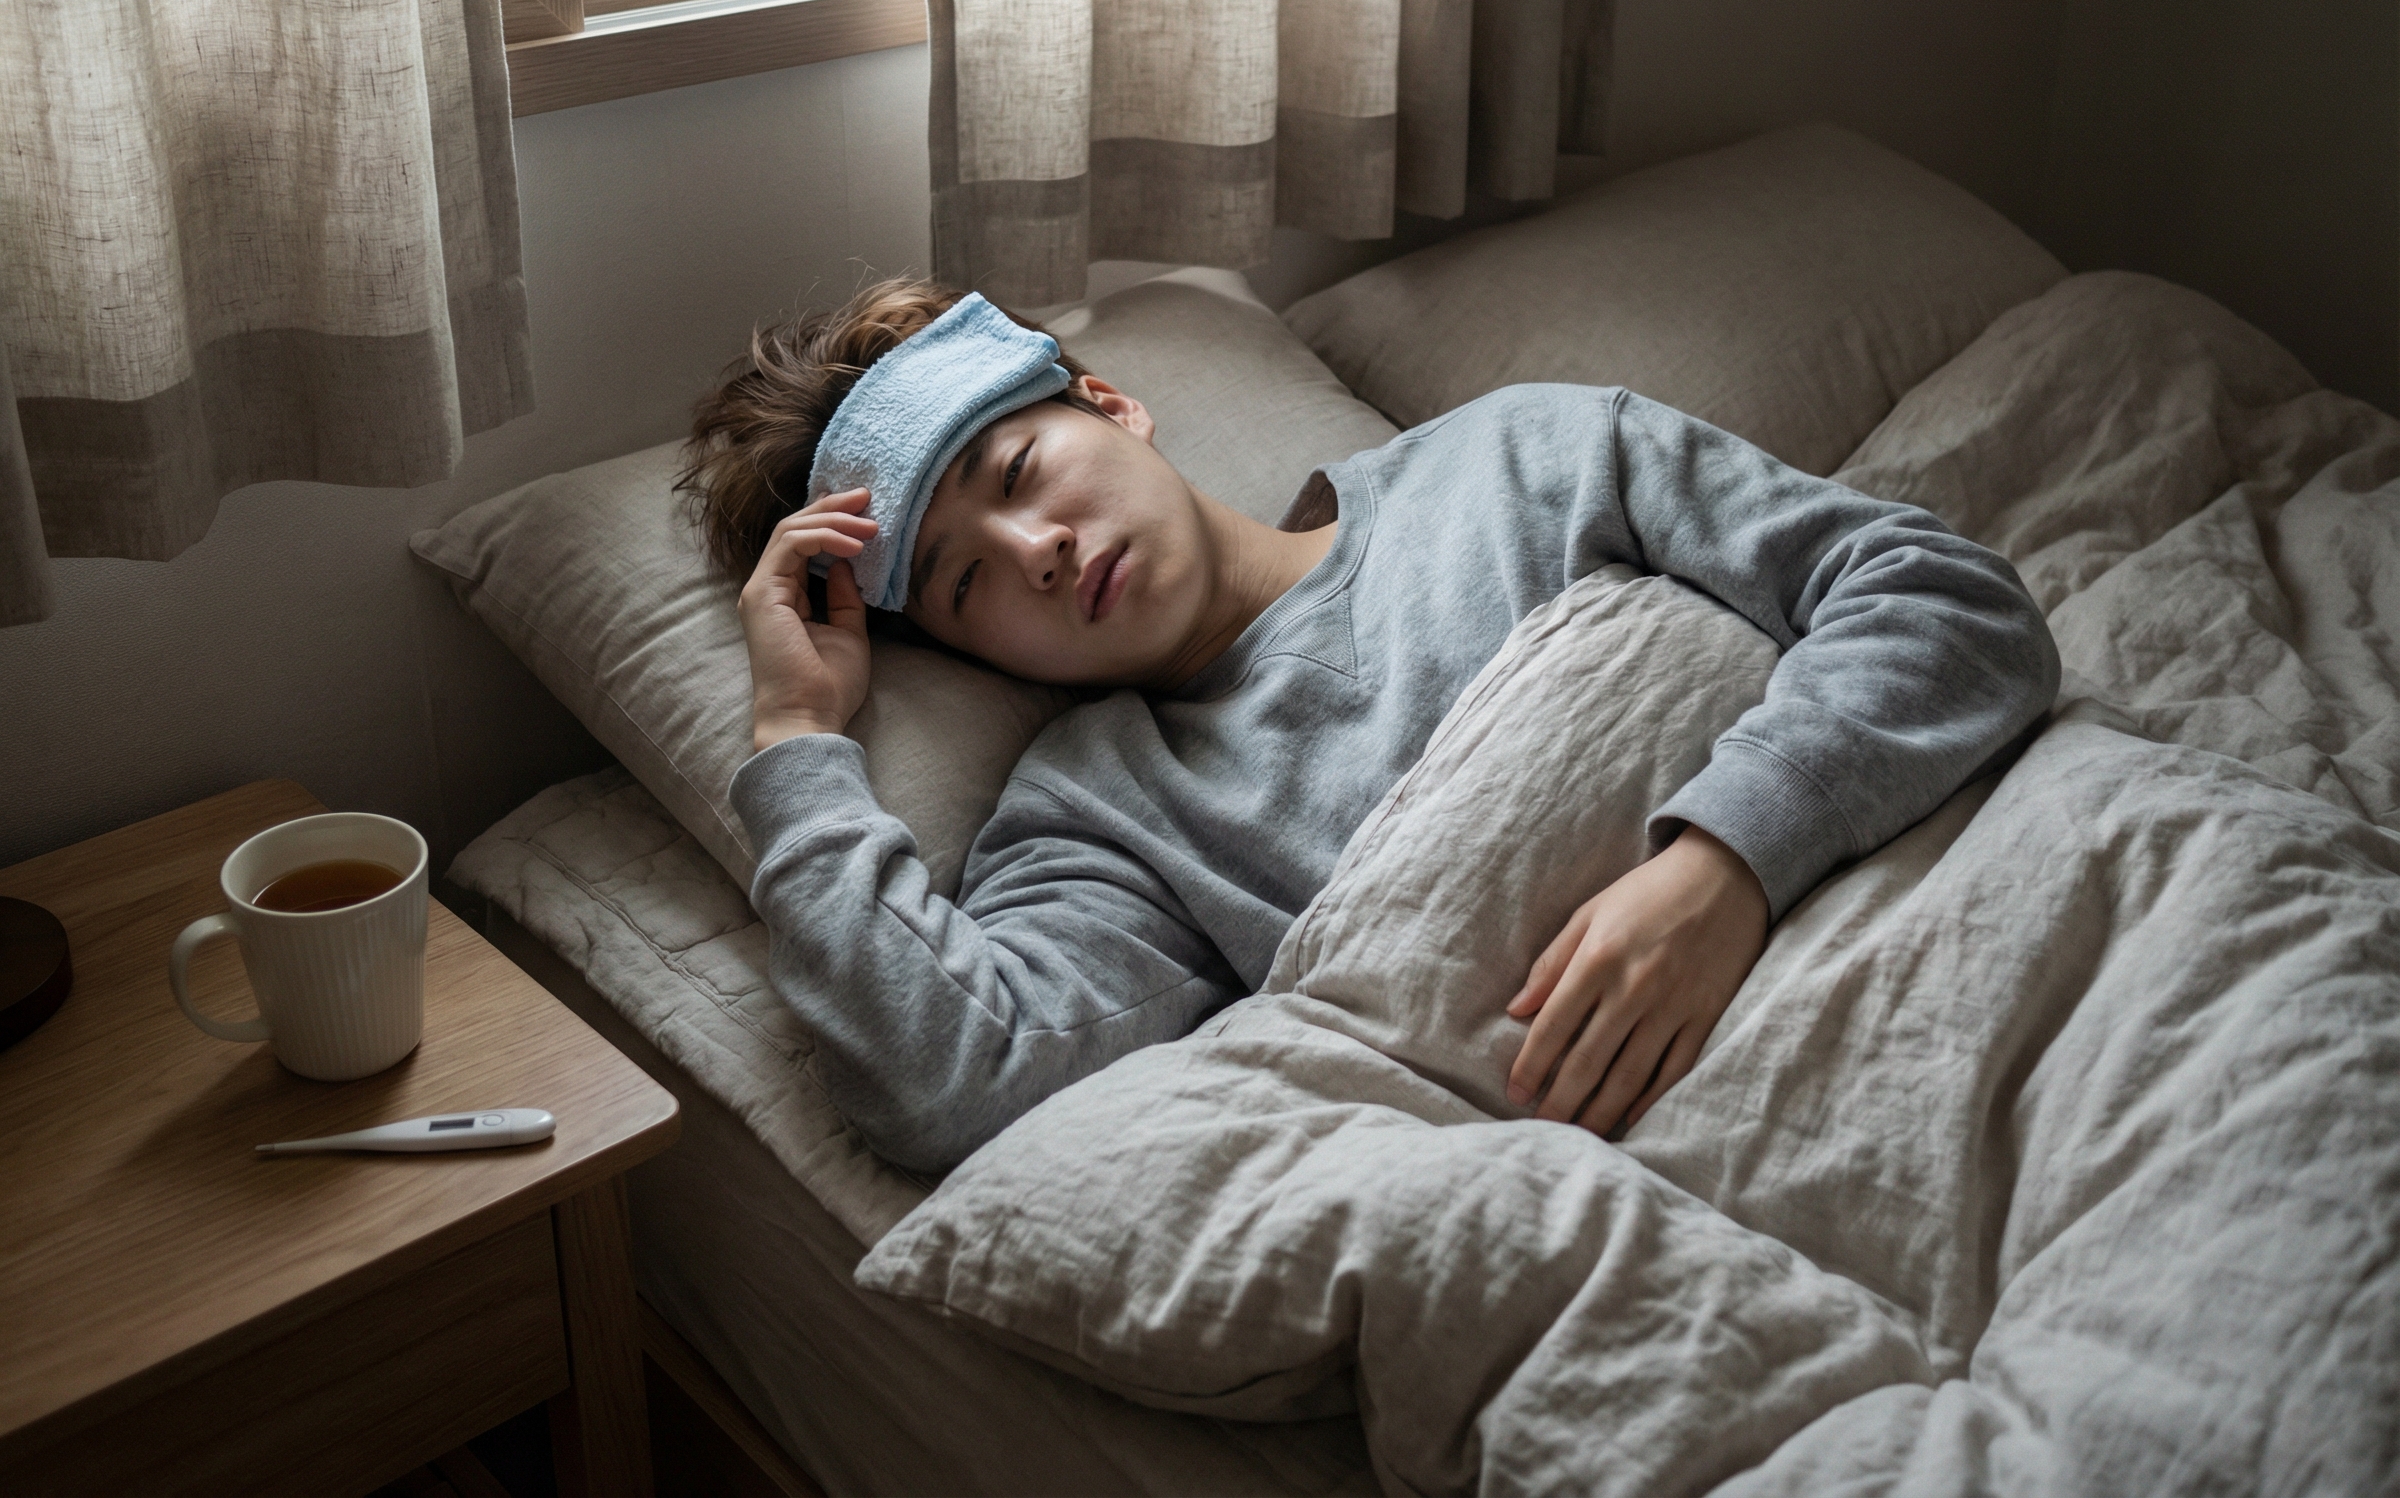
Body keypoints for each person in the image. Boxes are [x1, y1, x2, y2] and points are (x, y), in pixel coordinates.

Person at [683, 278, 2059, 1172]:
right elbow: (949, 1083)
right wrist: (796, 740)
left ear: (1108, 405)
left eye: (1023, 469)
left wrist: (1724, 866)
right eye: (971, 581)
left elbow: (1947, 602)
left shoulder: (1522, 459)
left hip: (1986, 917)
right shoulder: (1103, 818)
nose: (1038, 548)